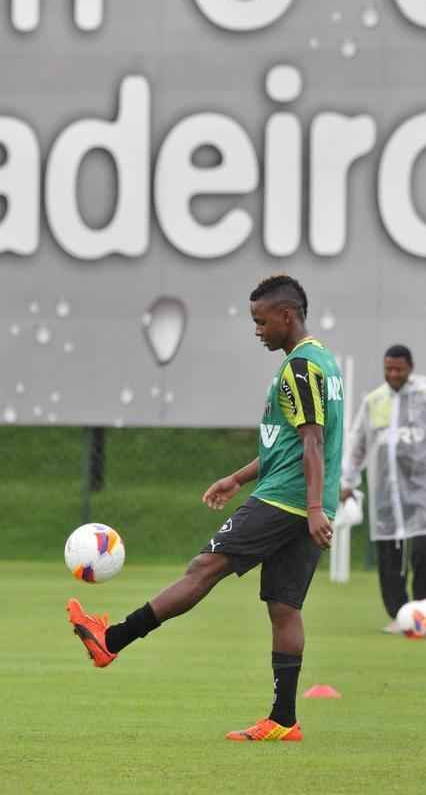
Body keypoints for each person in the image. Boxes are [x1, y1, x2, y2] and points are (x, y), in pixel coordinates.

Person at [67, 274, 344, 741]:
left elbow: (313, 442)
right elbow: (290, 444)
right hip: (303, 500)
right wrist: (238, 478)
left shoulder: (299, 368)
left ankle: (111, 640)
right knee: (284, 607)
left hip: (286, 500)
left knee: (204, 567)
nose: (257, 331)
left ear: (287, 316)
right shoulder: (324, 362)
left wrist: (313, 506)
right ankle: (283, 720)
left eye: (261, 322)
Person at [341, 345, 426, 633]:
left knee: (423, 552)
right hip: (387, 494)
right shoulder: (374, 401)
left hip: (424, 490)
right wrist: (347, 480)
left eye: (398, 369)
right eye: (388, 369)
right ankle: (399, 614)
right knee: (389, 555)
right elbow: (358, 443)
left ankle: (425, 611)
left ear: (410, 368)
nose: (393, 374)